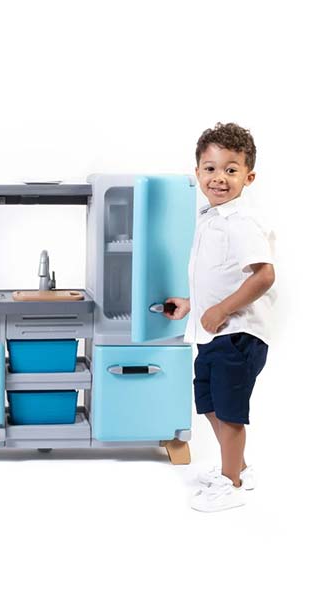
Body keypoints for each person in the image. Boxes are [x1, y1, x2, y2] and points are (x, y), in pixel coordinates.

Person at [164, 123, 276, 512]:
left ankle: (231, 484)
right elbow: (218, 275)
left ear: (249, 177)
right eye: (210, 168)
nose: (219, 178)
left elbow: (264, 275)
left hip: (237, 335)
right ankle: (237, 467)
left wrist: (222, 310)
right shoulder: (212, 217)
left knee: (229, 413)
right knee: (209, 403)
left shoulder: (240, 222)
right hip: (214, 334)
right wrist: (191, 303)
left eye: (231, 169)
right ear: (197, 172)